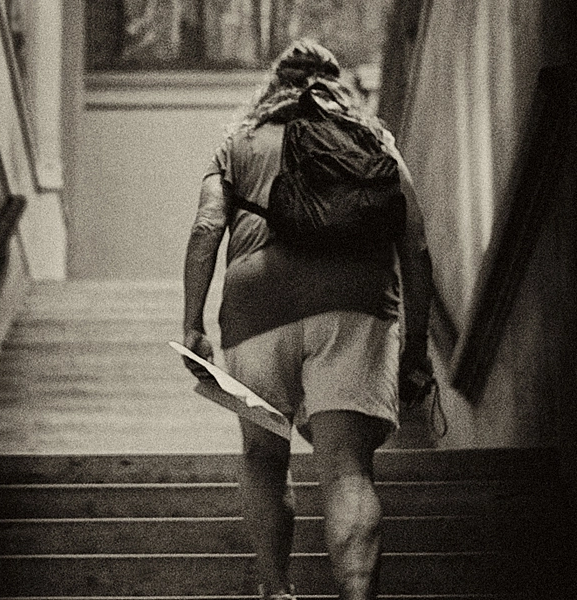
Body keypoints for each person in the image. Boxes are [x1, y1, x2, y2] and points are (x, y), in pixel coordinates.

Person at [182, 39, 434, 600]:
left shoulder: (240, 141)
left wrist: (192, 324)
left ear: (273, 86)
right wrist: (415, 345)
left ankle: (277, 591)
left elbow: (206, 228)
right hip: (355, 307)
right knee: (347, 468)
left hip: (255, 313)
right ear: (336, 86)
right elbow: (416, 249)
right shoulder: (373, 140)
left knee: (264, 459)